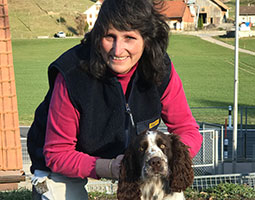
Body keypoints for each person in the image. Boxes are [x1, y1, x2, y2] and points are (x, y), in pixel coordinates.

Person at [27, 0, 203, 199]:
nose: (117, 50)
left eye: (129, 37)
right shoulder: (72, 74)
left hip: (137, 160)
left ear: (147, 39)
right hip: (63, 164)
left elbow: (187, 129)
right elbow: (57, 153)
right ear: (97, 37)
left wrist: (174, 157)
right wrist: (110, 167)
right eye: (110, 36)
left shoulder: (160, 68)